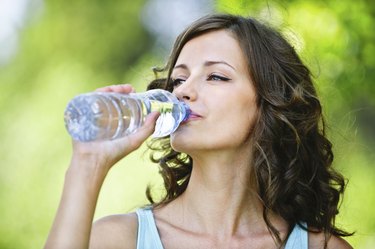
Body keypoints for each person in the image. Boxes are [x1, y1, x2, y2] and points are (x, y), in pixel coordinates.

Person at [45, 14, 353, 249]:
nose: (183, 92)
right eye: (179, 80)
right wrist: (87, 165)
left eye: (216, 76)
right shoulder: (118, 239)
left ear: (271, 104)